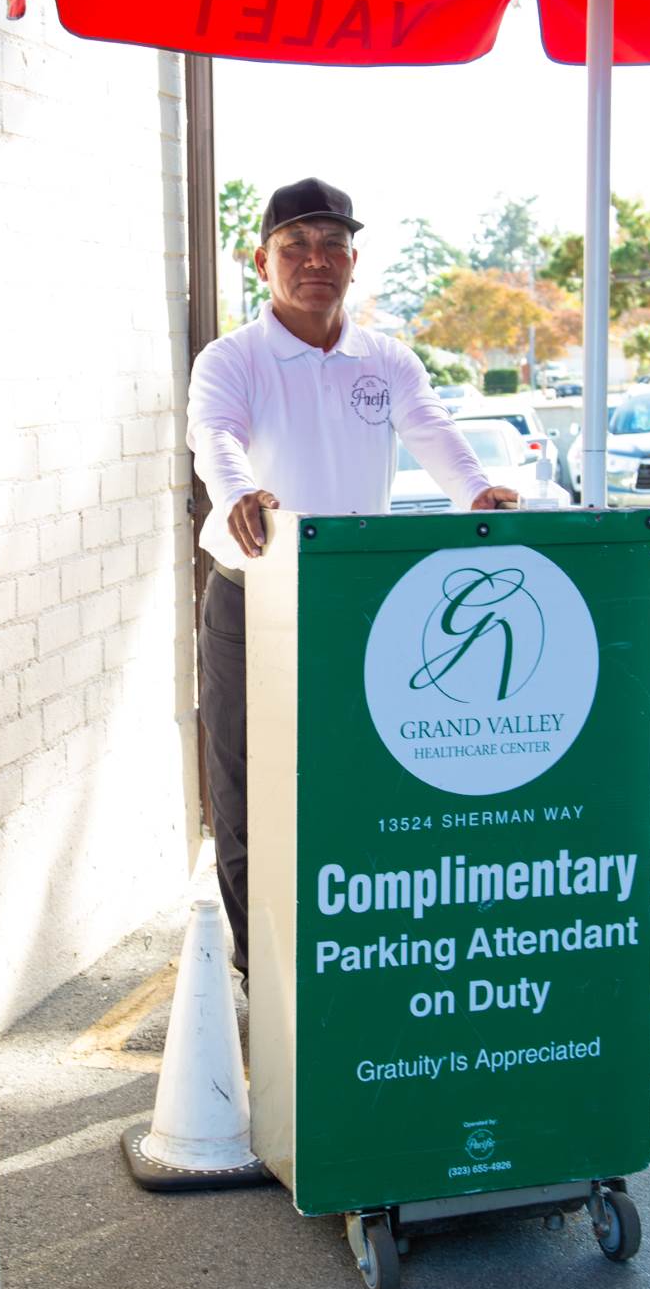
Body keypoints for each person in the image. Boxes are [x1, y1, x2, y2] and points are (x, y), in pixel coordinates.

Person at [187, 177, 518, 988]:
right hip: (251, 597)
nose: (314, 260)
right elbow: (215, 438)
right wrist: (238, 495)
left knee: (355, 781)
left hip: (354, 601)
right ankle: (257, 971)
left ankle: (349, 955)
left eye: (330, 244)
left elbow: (432, 430)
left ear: (352, 261)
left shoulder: (385, 358)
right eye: (294, 246)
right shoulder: (231, 360)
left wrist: (475, 491)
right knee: (247, 792)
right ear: (262, 260)